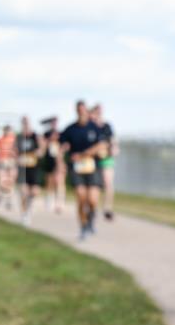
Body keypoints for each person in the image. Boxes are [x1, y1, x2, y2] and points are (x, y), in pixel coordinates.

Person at [60, 101, 106, 240]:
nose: (81, 113)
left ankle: (91, 219)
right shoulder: (70, 129)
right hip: (77, 169)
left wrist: (84, 154)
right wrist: (61, 161)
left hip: (93, 167)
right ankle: (83, 226)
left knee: (92, 200)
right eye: (79, 110)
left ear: (86, 111)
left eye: (83, 110)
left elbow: (102, 145)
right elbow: (62, 146)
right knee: (81, 198)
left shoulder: (95, 128)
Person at [90, 103, 118, 221]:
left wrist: (114, 148)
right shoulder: (90, 128)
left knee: (108, 183)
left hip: (106, 158)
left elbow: (113, 140)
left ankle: (107, 208)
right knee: (94, 185)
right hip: (93, 160)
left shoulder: (106, 126)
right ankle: (93, 207)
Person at [16, 116, 43, 225]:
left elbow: (41, 149)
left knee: (34, 192)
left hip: (34, 168)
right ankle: (24, 213)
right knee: (23, 191)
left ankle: (28, 208)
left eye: (27, 123)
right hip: (23, 168)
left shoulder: (35, 136)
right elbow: (15, 151)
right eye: (24, 123)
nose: (26, 125)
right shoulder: (19, 137)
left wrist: (38, 152)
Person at [40, 116, 66, 213]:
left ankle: (60, 203)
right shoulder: (46, 134)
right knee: (49, 181)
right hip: (49, 159)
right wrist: (49, 140)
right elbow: (42, 146)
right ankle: (49, 200)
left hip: (58, 160)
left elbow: (65, 146)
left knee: (59, 181)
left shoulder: (61, 134)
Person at [0, 125, 17, 210]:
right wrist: (0, 159)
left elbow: (17, 151)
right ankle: (0, 195)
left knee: (9, 182)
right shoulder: (0, 140)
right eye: (6, 130)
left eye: (9, 130)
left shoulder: (14, 139)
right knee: (1, 181)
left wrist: (13, 159)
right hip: (2, 163)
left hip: (11, 163)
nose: (7, 132)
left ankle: (9, 201)